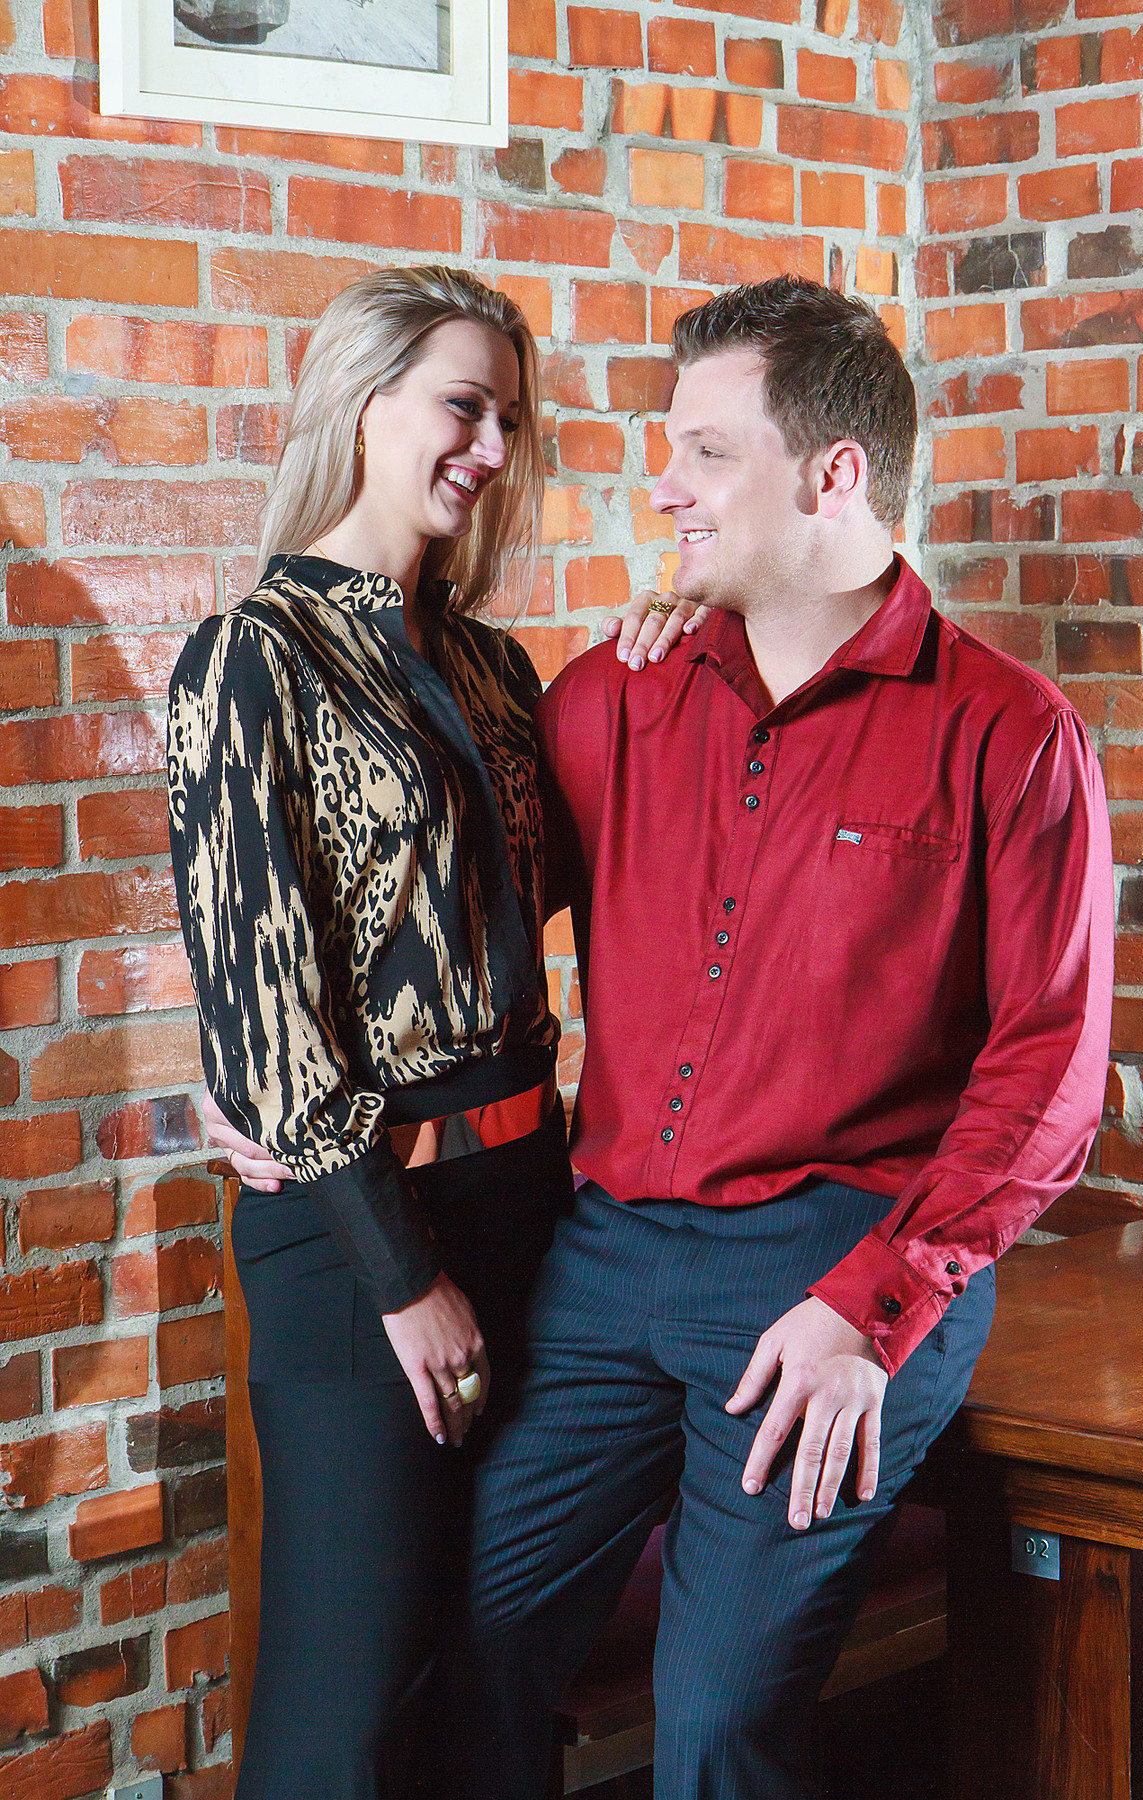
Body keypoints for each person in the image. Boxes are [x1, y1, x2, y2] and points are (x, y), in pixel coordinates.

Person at [217, 275, 1113, 1799]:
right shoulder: (607, 702)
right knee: (463, 1648)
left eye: (706, 452)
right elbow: (445, 918)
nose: (661, 485)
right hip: (609, 1250)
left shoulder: (1008, 733)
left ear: (834, 475)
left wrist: (874, 1308)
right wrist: (268, 1070)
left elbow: (1049, 1075)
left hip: (835, 1266)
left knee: (711, 1724)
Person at [167, 264, 652, 1800]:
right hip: (365, 1239)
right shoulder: (254, 656)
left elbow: (578, 905)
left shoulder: (498, 669)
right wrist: (405, 1276)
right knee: (352, 1690)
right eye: (463, 405)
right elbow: (266, 1009)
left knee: (490, 1672)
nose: (494, 446)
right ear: (364, 403)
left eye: (510, 416)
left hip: (533, 1204)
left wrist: (669, 652)